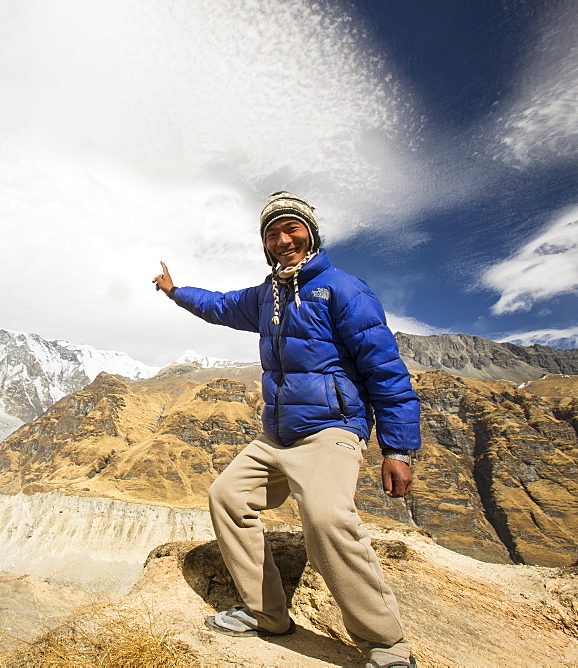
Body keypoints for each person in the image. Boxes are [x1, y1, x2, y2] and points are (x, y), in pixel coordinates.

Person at [152, 191, 420, 668]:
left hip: (331, 430)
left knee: (325, 518)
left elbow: (385, 370)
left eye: (292, 228)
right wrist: (175, 292)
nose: (283, 239)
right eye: (272, 233)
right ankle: (268, 615)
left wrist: (397, 447)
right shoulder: (266, 296)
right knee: (227, 498)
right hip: (276, 435)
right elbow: (220, 305)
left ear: (311, 233)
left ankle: (386, 645)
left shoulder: (343, 289)